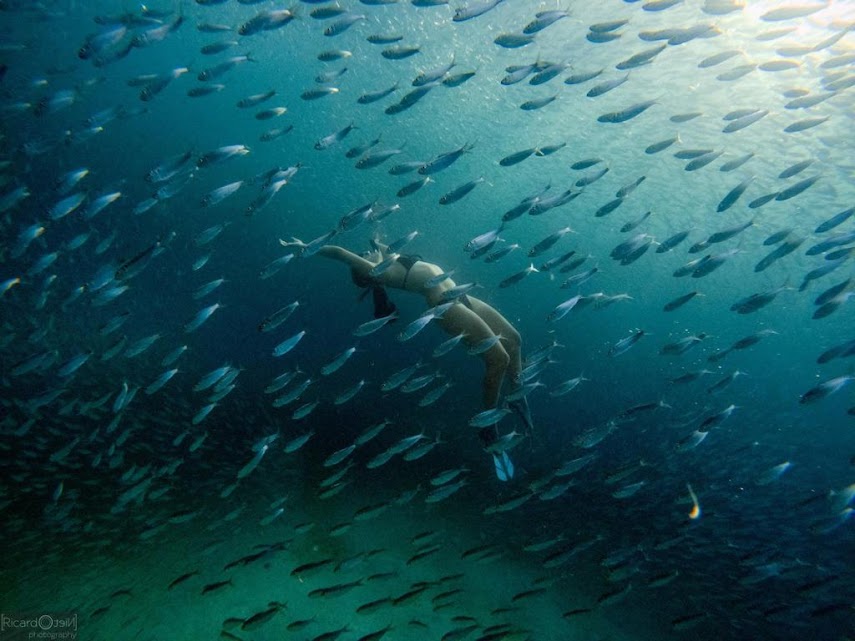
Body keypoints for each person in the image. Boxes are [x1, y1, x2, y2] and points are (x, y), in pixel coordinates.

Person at [279, 235, 533, 480]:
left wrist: (377, 237)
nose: (364, 253)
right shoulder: (376, 269)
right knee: (498, 359)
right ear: (365, 271)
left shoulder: (390, 255)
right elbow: (339, 253)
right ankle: (488, 426)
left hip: (458, 293)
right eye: (363, 256)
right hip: (443, 302)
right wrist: (306, 246)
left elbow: (381, 243)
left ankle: (516, 395)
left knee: (514, 339)